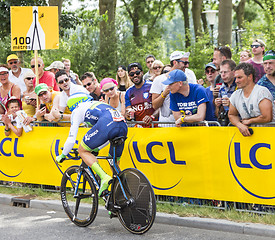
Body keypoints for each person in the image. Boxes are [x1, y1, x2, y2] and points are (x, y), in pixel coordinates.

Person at [55, 93, 128, 197]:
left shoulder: (77, 110)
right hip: (122, 126)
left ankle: (104, 177)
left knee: (83, 150)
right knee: (114, 163)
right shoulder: (96, 103)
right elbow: (108, 137)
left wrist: (63, 154)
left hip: (107, 124)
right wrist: (97, 148)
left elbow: (71, 139)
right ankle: (121, 197)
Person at [228, 62, 275, 136]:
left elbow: (267, 117)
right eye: (235, 78)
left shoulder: (262, 92)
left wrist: (249, 121)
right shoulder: (235, 95)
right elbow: (231, 114)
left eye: (239, 77)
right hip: (249, 137)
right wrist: (239, 125)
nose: (236, 81)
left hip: (268, 135)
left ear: (250, 77)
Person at [125, 62, 158, 127]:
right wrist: (128, 115)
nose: (135, 75)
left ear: (142, 72)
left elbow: (160, 107)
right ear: (129, 76)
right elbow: (128, 111)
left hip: (155, 126)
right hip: (140, 128)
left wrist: (152, 117)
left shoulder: (152, 86)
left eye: (137, 73)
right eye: (132, 74)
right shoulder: (128, 92)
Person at [214, 59, 237, 126]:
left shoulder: (240, 86)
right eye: (221, 72)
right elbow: (217, 114)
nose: (223, 75)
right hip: (226, 124)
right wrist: (217, 106)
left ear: (234, 72)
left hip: (240, 123)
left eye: (225, 72)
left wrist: (231, 104)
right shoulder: (221, 88)